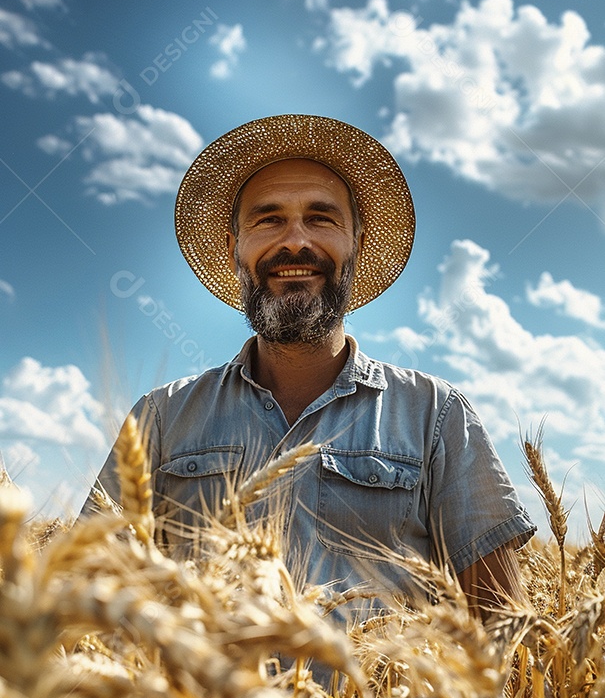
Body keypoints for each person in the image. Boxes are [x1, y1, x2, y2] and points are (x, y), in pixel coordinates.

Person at [84, 114, 535, 621]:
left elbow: (501, 630)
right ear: (236, 250)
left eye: (321, 218)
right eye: (268, 219)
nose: (295, 242)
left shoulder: (436, 415)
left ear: (356, 248)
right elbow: (91, 602)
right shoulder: (161, 419)